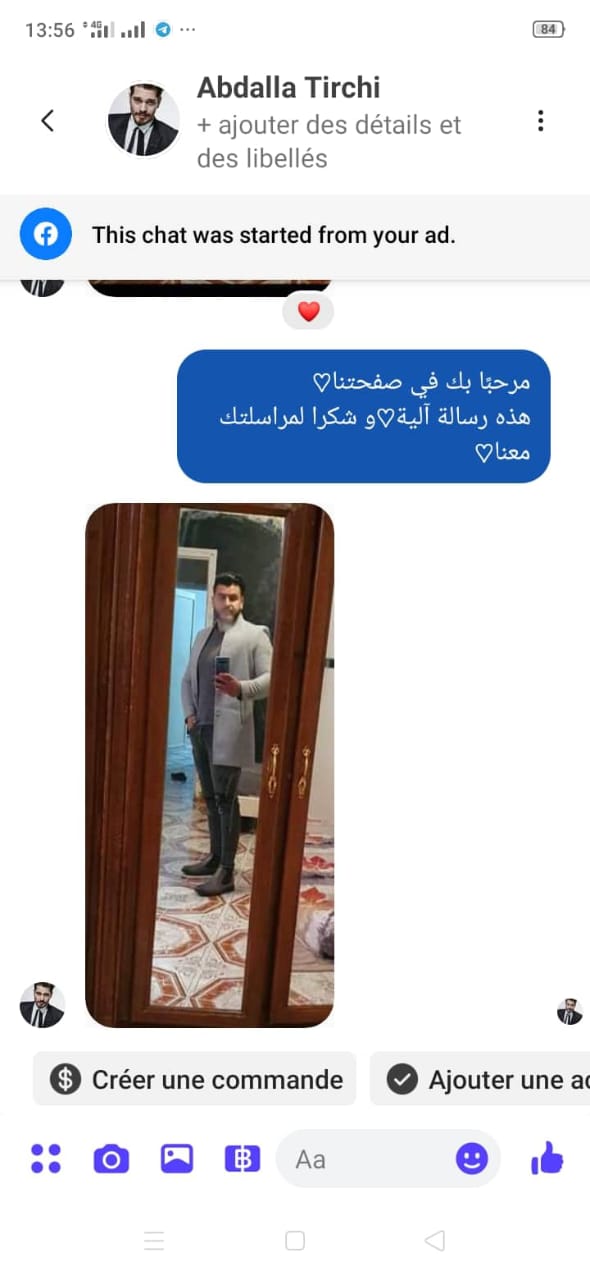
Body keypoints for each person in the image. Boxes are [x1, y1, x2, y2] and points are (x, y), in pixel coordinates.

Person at [181, 572, 272, 896]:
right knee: (210, 797)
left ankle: (227, 872)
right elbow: (187, 679)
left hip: (230, 731)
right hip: (200, 729)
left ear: (241, 601)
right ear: (214, 599)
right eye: (222, 596)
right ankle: (215, 858)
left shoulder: (255, 635)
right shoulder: (203, 636)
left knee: (225, 800)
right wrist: (189, 715)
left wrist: (240, 688)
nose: (227, 602)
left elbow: (271, 678)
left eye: (233, 597)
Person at [108, 84, 178, 155]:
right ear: (129, 98)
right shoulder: (108, 123)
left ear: (159, 102)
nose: (143, 109)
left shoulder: (172, 138)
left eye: (150, 102)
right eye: (137, 100)